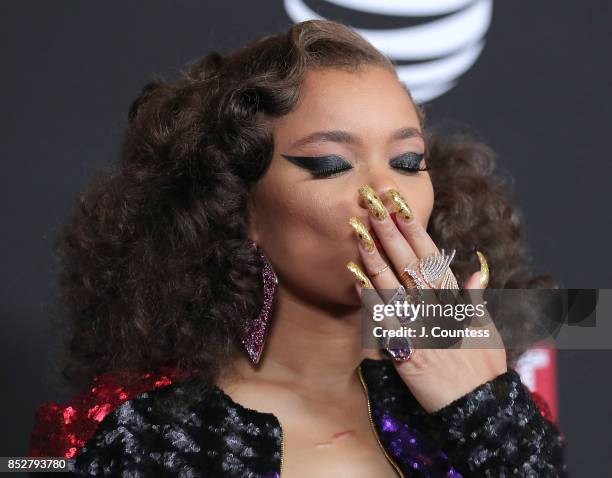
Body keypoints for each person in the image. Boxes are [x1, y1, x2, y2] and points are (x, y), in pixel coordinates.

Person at [29, 19, 567, 477]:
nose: (388, 196)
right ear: (237, 206)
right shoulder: (136, 443)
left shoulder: (497, 408)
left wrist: (485, 413)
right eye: (331, 165)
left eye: (407, 162)